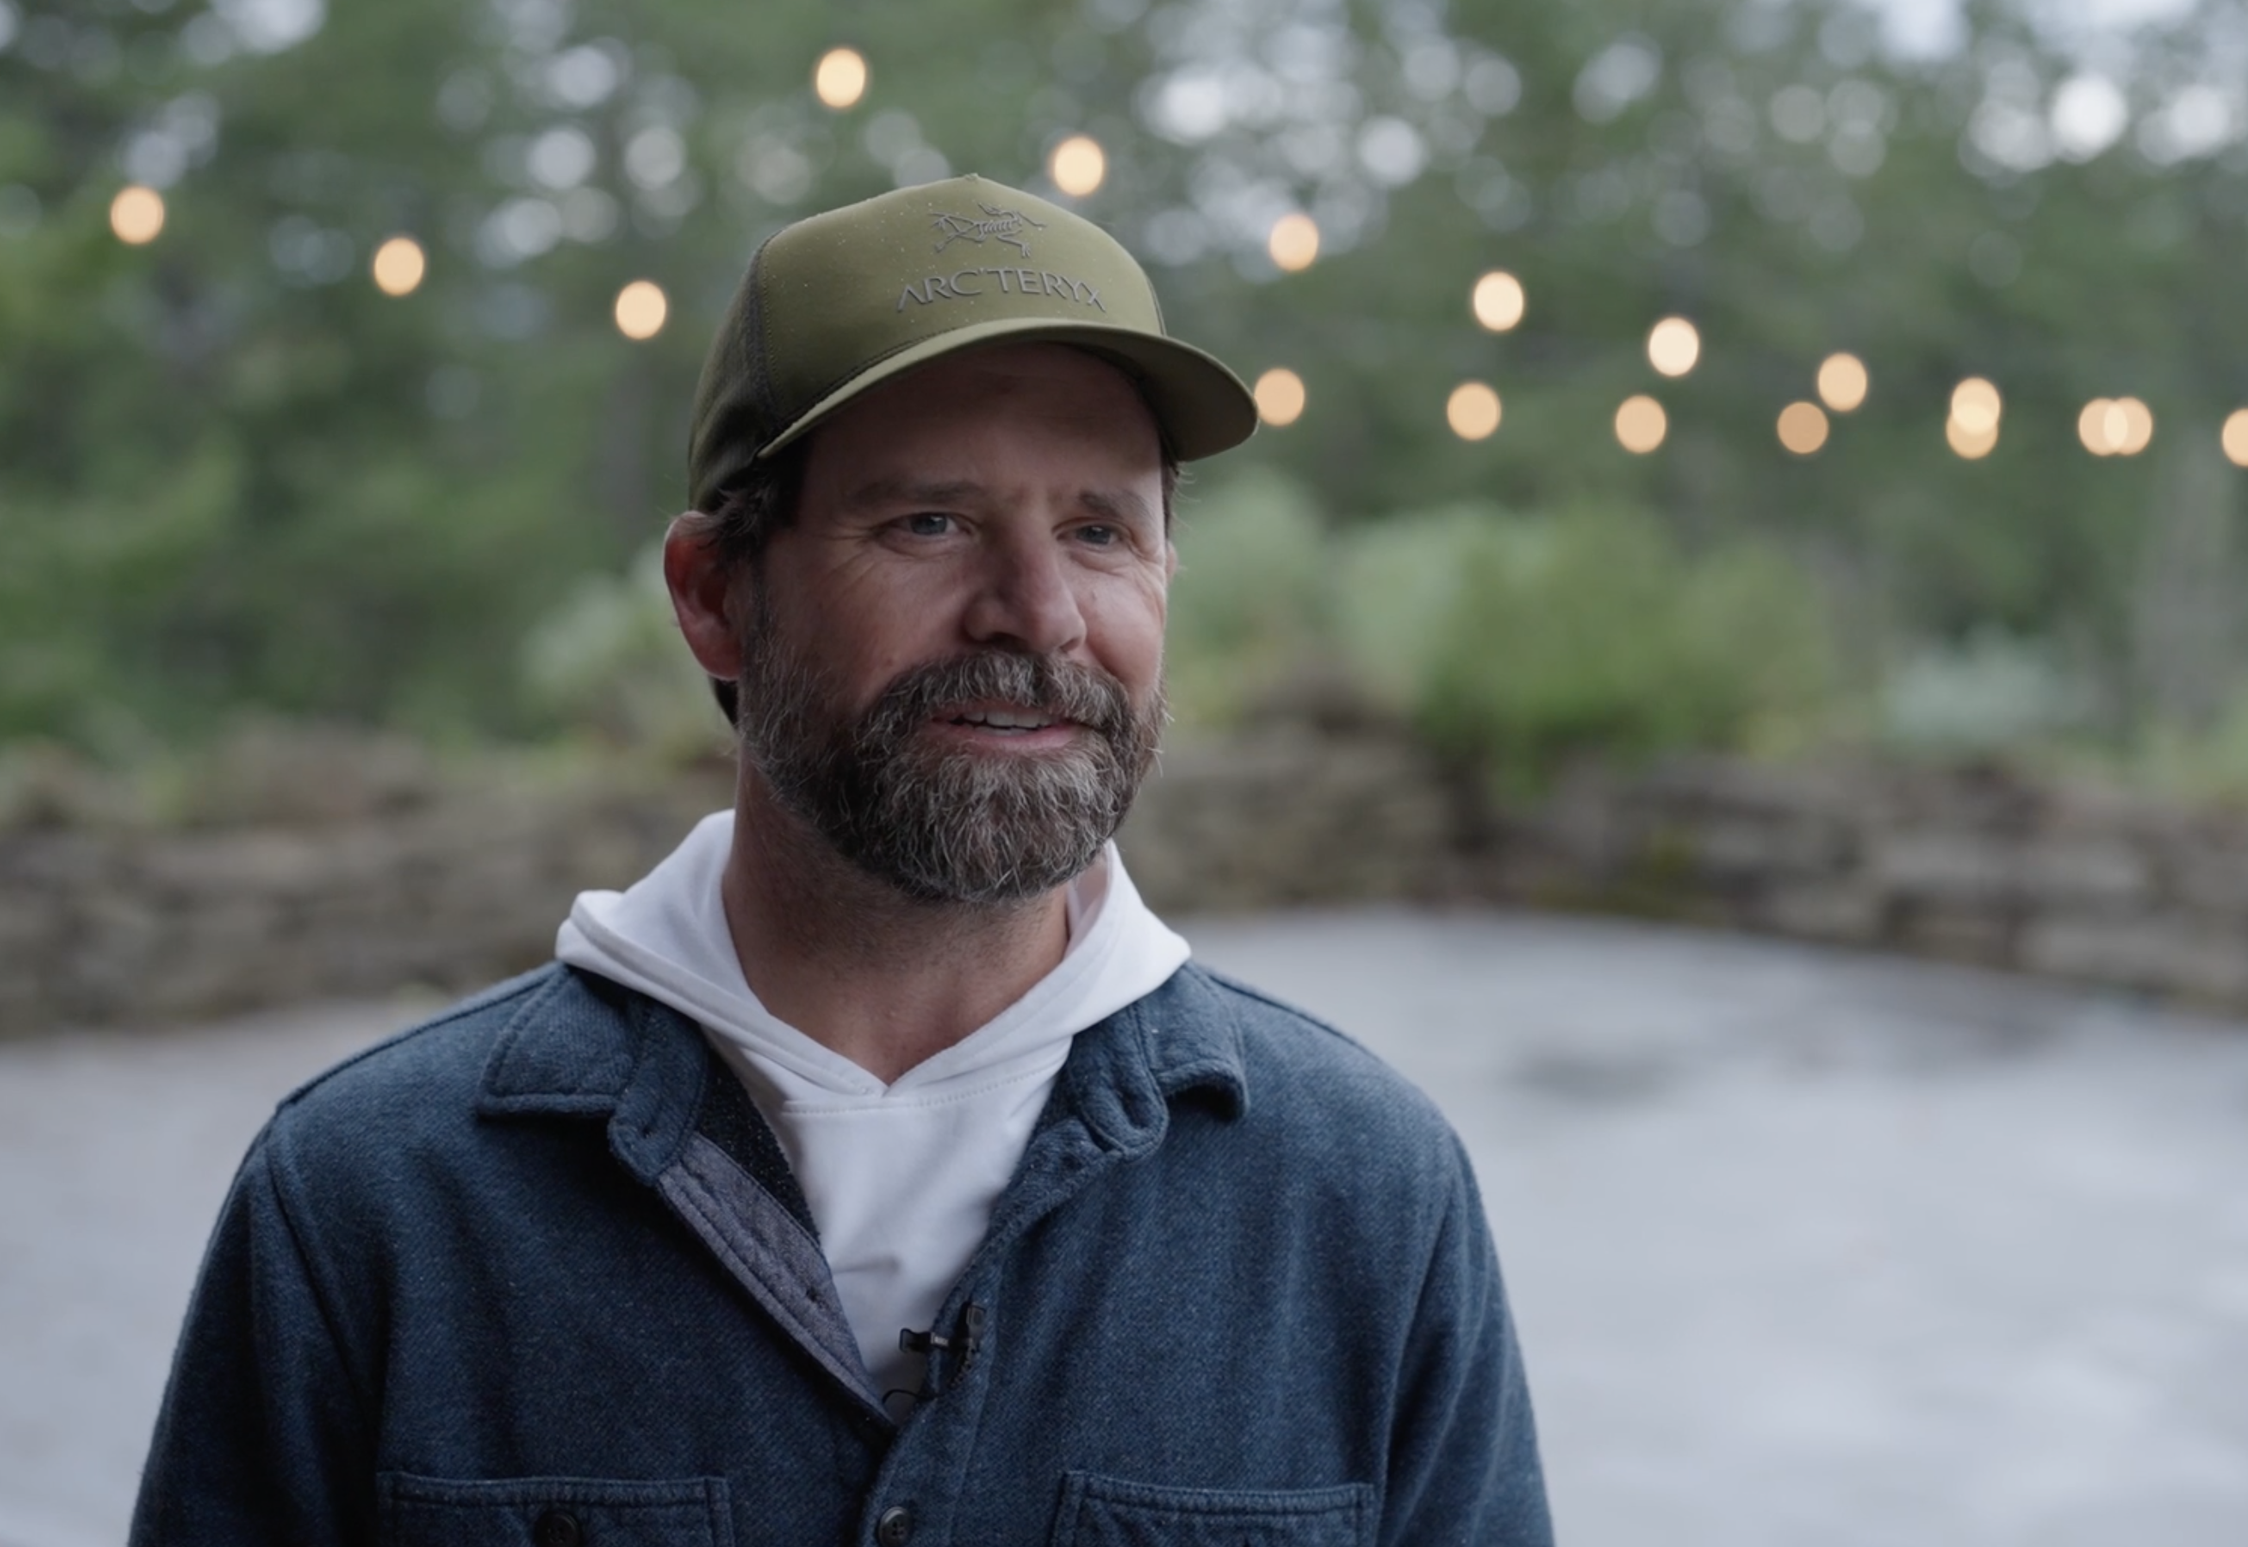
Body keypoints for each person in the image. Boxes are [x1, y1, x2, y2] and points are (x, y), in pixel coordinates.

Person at [132, 175, 1553, 1546]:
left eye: (1101, 530)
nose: (1040, 615)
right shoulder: (372, 1202)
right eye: (930, 522)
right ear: (713, 599)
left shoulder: (1368, 1198)